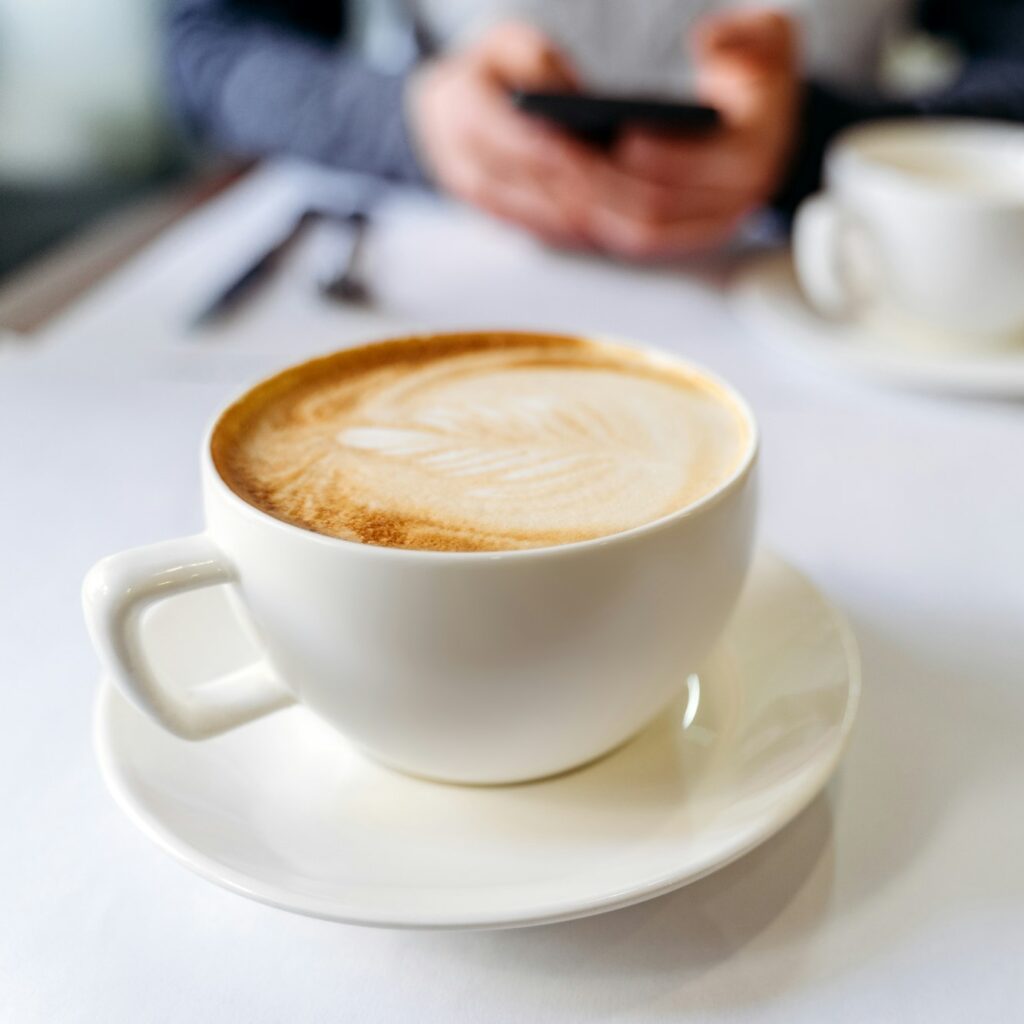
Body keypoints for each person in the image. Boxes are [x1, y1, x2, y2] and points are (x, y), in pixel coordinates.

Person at [166, 0, 1024, 259]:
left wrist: (819, 137)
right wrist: (411, 118)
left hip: (832, 271)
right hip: (436, 263)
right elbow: (205, 47)